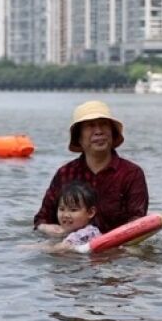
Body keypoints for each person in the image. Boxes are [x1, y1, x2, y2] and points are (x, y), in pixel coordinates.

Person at [33, 101, 148, 235]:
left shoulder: (131, 173)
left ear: (112, 132)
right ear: (79, 137)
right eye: (90, 126)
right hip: (71, 249)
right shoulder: (65, 173)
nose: (98, 131)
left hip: (116, 248)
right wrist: (50, 230)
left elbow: (138, 221)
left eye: (104, 124)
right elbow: (41, 220)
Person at [45, 181, 102, 253]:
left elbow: (59, 248)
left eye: (73, 210)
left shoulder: (87, 233)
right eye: (62, 209)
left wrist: (30, 248)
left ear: (91, 212)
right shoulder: (88, 230)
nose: (65, 215)